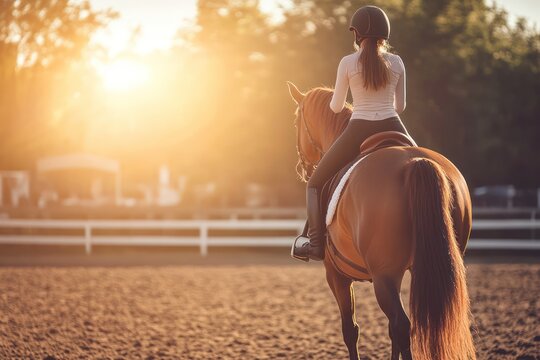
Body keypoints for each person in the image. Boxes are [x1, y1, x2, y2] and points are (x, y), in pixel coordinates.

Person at [292, 5, 410, 262]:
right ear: (384, 35)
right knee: (427, 165)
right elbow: (400, 107)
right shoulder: (397, 62)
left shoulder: (347, 62)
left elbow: (335, 107)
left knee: (314, 183)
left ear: (356, 34)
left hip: (358, 129)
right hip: (393, 125)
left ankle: (314, 245)